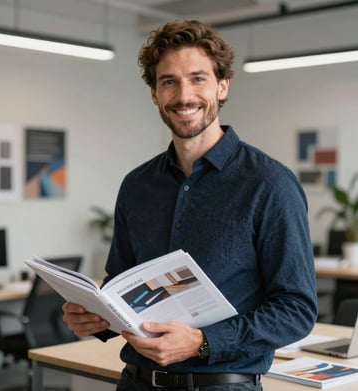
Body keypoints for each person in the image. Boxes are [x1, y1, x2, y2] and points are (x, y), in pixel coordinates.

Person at [63, 20, 317, 391]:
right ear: (154, 94)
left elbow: (297, 310)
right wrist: (97, 318)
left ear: (222, 85)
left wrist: (203, 341)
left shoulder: (269, 184)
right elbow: (119, 289)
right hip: (136, 383)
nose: (184, 96)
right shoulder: (137, 185)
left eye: (198, 78)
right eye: (169, 81)